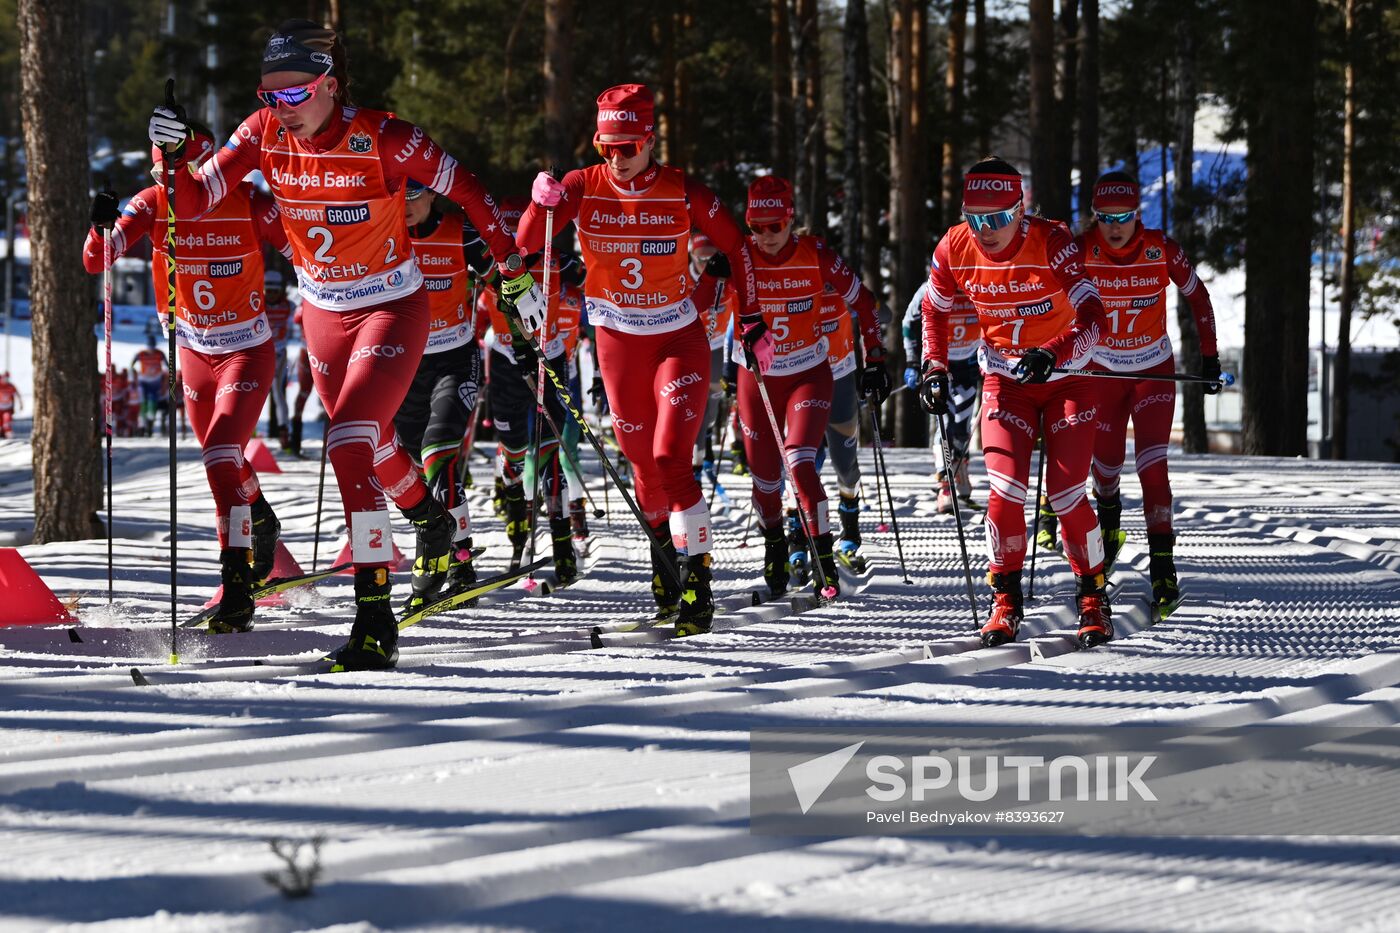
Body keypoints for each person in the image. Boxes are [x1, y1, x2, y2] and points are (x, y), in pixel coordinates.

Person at [147, 19, 541, 669]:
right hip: (324, 315)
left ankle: (375, 617)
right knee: (375, 442)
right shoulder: (261, 131)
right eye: (269, 95)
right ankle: (430, 517)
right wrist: (177, 150)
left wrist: (512, 264)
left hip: (391, 305)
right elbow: (190, 202)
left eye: (295, 95)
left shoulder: (384, 136)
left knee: (348, 438)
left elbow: (467, 188)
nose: (282, 109)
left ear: (329, 86)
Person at [520, 83, 759, 636]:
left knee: (671, 456)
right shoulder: (583, 184)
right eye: (606, 146)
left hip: (677, 340)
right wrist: (541, 202)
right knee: (644, 470)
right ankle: (666, 572)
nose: (616, 158)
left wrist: (750, 318)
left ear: (650, 139)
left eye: (627, 147)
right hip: (616, 343)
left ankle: (698, 580)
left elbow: (738, 247)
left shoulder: (683, 190)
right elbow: (527, 246)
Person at [84, 126, 293, 632]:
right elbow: (98, 260)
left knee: (221, 452)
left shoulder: (247, 198)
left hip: (246, 348)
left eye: (182, 171)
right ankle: (259, 517)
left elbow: (299, 246)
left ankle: (237, 587)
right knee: (221, 459)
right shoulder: (153, 202)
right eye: (160, 171)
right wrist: (99, 226)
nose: (170, 181)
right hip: (193, 353)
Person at [917, 158, 1111, 649]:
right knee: (1004, 492)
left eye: (998, 218)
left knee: (1066, 495)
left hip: (1070, 377)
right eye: (976, 218)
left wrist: (1054, 352)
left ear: (1020, 209)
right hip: (1007, 380)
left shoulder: (1051, 240)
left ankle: (1092, 597)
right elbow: (933, 310)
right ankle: (1004, 600)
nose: (987, 231)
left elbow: (1093, 314)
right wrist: (934, 366)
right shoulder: (953, 245)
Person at [724, 175, 889, 600]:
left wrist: (876, 358)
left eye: (775, 227)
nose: (766, 236)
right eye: (756, 227)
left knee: (800, 463)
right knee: (764, 481)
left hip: (808, 373)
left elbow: (866, 302)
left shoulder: (817, 255)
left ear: (790, 219)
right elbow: (699, 307)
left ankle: (824, 559)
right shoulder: (739, 256)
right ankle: (776, 546)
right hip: (757, 380)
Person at [1078, 171, 1220, 616]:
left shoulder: (1162, 249)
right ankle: (1110, 524)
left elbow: (1199, 297)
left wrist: (1210, 358)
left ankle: (1163, 569)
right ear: (1094, 218)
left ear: (1138, 214)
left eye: (1123, 217)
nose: (1115, 227)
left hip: (1153, 371)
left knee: (1152, 467)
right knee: (1104, 472)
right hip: (1102, 374)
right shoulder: (1082, 250)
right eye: (1105, 218)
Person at [394, 179, 492, 604]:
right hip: (403, 363)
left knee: (438, 452)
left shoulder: (459, 231)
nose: (406, 205)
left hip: (455, 357)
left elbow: (503, 273)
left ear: (433, 195)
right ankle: (446, 545)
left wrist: (523, 324)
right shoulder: (384, 231)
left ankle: (459, 559)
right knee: (413, 466)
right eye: (399, 196)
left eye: (414, 196)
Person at [479, 196, 581, 581]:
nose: (519, 249)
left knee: (551, 448)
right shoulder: (492, 265)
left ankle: (561, 540)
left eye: (526, 240)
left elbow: (590, 279)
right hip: (506, 360)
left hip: (551, 355)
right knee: (517, 450)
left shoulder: (557, 258)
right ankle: (513, 502)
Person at [903, 281, 982, 512]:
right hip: (940, 362)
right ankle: (945, 485)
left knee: (962, 424)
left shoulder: (977, 279)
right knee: (944, 423)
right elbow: (908, 322)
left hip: (969, 360)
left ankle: (960, 467)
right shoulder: (931, 286)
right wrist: (912, 361)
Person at [817, 282, 870, 570]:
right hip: (802, 381)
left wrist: (861, 300)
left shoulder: (841, 286)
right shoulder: (784, 285)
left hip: (841, 381)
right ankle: (799, 541)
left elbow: (881, 313)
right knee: (804, 462)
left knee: (845, 464)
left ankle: (850, 536)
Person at [687, 232, 737, 490]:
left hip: (718, 347)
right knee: (695, 407)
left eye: (710, 258)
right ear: (692, 256)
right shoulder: (682, 278)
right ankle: (694, 464)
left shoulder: (724, 278)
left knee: (711, 414)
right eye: (700, 258)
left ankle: (704, 438)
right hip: (690, 348)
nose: (704, 264)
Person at [263, 269, 295, 449]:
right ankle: (247, 431)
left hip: (280, 354)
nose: (273, 296)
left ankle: (284, 432)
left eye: (276, 291)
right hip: (261, 355)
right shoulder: (258, 304)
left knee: (278, 394)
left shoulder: (289, 305)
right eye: (269, 291)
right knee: (253, 393)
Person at [131, 333, 168, 437]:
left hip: (155, 382)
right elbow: (131, 365)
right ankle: (142, 426)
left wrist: (167, 378)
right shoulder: (141, 354)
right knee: (143, 404)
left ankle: (150, 425)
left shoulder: (160, 354)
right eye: (149, 347)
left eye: (152, 346)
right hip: (143, 382)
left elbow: (168, 365)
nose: (151, 349)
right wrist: (132, 376)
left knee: (152, 403)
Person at [288, 304, 313, 455]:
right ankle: (295, 443)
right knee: (303, 394)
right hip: (307, 354)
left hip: (324, 353)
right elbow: (296, 318)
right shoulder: (304, 304)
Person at [0, 372, 20, 438]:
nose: (5, 380)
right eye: (4, 378)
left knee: (7, 419)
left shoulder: (11, 386)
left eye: (7, 378)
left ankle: (8, 434)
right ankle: (2, 432)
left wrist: (20, 403)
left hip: (8, 407)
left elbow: (17, 394)